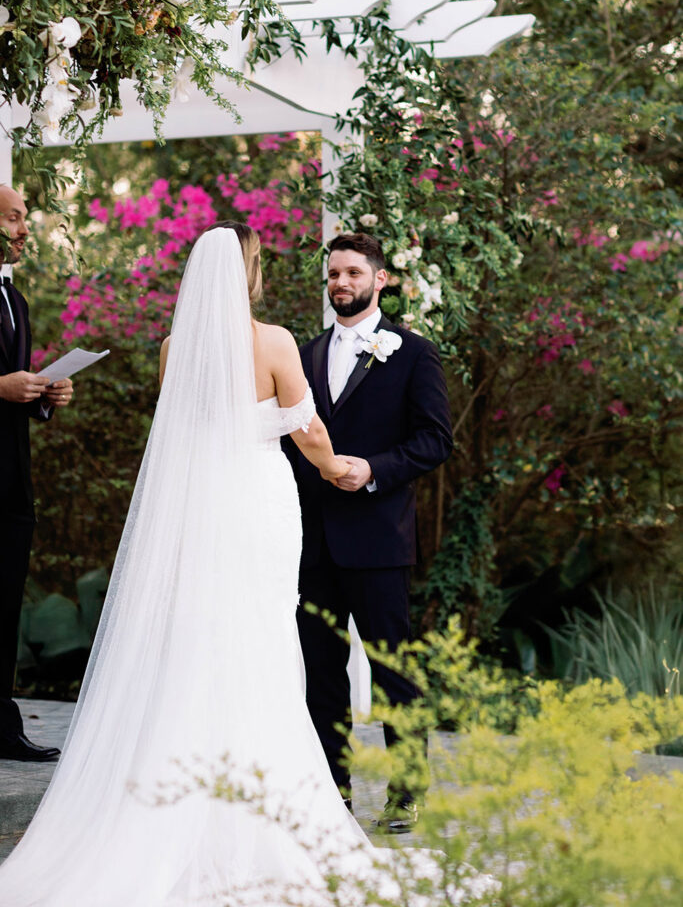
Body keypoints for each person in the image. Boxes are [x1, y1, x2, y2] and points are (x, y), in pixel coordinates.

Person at [0, 223, 398, 906]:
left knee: (197, 638)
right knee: (262, 638)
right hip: (258, 502)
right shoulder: (271, 340)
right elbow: (306, 428)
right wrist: (336, 468)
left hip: (201, 504)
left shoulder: (173, 348)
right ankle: (261, 798)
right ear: (247, 273)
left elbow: (179, 433)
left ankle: (177, 784)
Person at [288, 232, 453, 832]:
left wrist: (374, 470)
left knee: (393, 671)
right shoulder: (303, 355)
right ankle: (333, 792)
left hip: (381, 540)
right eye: (333, 275)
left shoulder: (412, 353)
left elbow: (435, 439)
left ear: (379, 279)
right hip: (313, 544)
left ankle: (408, 790)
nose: (340, 284)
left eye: (353, 273)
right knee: (320, 671)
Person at [0, 184, 74, 763]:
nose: (25, 229)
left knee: (5, 605)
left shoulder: (16, 299)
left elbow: (15, 390)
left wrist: (45, 395)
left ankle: (2, 726)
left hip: (12, 484)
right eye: (15, 218)